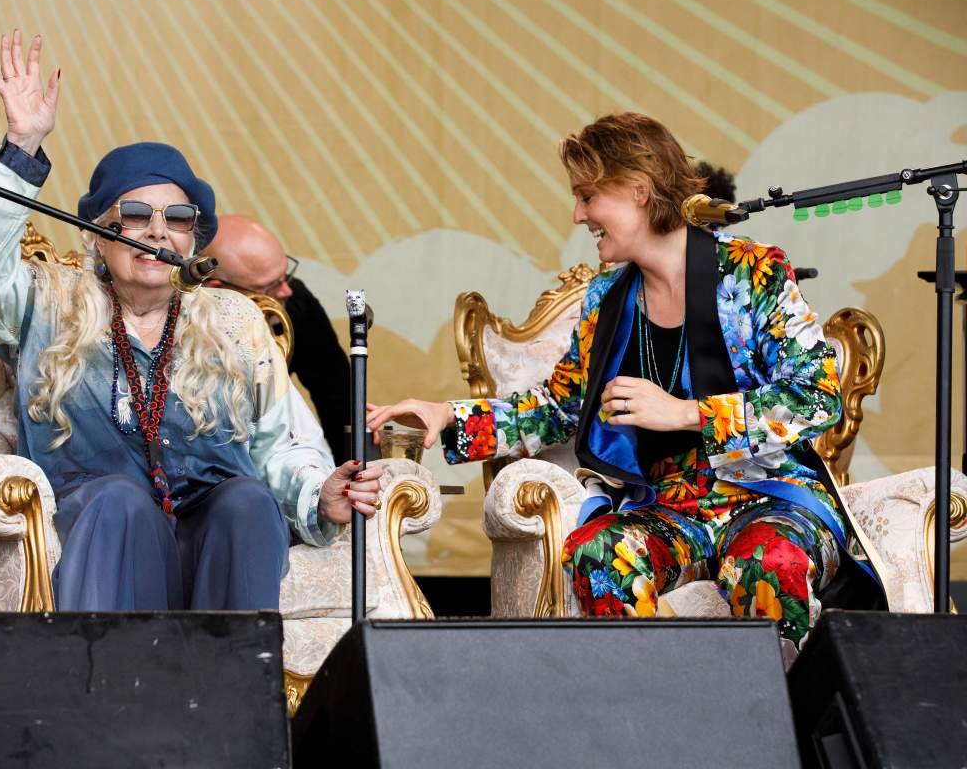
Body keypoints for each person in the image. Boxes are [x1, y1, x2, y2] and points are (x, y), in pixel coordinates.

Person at [368, 112, 884, 650]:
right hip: (668, 507)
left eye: (588, 196)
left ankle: (775, 727)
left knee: (767, 559)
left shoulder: (753, 272)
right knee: (597, 553)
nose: (577, 215)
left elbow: (816, 397)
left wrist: (687, 413)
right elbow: (558, 408)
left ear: (638, 191)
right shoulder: (605, 301)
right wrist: (446, 415)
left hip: (768, 498)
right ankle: (646, 715)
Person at [0, 30, 381, 612]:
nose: (157, 230)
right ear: (97, 235)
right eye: (134, 213)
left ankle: (229, 693)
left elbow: (280, 442)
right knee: (121, 504)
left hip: (211, 535)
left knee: (247, 502)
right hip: (102, 527)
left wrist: (314, 494)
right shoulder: (47, 303)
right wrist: (22, 145)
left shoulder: (232, 320)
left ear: (194, 238)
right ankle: (109, 694)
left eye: (177, 217)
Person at [203, 215, 352, 463]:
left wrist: (348, 486)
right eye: (270, 286)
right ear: (217, 289)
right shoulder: (166, 320)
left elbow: (338, 399)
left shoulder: (295, 303)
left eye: (286, 275)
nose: (286, 291)